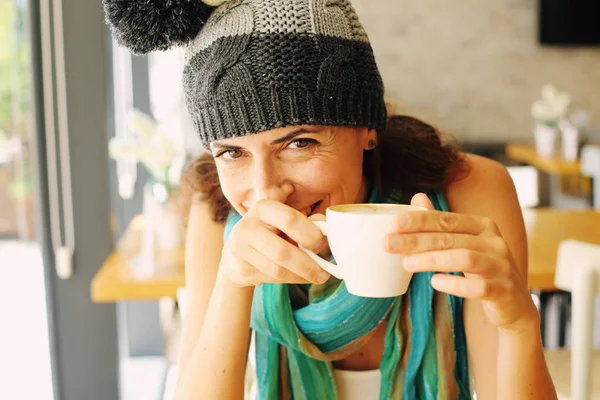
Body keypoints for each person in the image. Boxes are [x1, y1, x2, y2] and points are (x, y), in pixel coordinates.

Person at [105, 0, 557, 398]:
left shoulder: (467, 193)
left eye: (298, 143)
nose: (265, 191)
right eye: (232, 153)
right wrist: (232, 284)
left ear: (367, 129)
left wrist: (520, 327)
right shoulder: (217, 213)